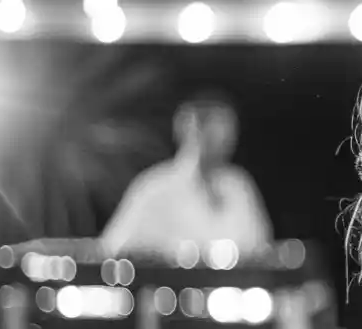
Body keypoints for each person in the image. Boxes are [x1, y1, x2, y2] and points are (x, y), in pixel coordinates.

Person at [102, 92, 272, 256]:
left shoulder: (239, 186)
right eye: (216, 128)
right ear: (191, 128)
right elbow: (114, 249)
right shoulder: (156, 187)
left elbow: (260, 247)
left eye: (230, 129)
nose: (226, 139)